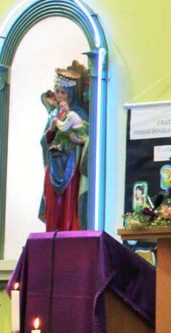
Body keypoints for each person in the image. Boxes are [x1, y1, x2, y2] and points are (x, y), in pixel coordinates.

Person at [40, 60, 90, 232]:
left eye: (63, 92)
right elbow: (45, 140)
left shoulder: (80, 113)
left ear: (70, 95)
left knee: (69, 201)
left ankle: (69, 233)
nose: (59, 96)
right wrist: (52, 129)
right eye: (57, 92)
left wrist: (74, 136)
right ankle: (52, 232)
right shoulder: (53, 114)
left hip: (71, 162)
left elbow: (85, 137)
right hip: (54, 164)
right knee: (53, 202)